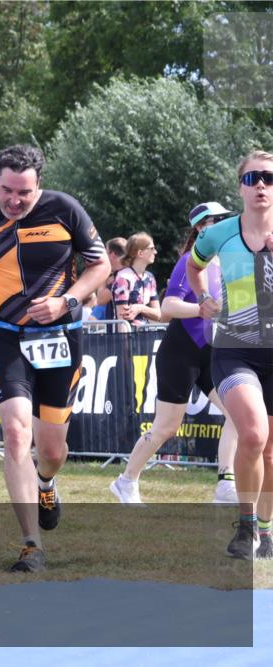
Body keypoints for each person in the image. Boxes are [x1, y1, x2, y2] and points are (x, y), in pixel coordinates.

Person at [0, 144, 109, 572]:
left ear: (39, 186)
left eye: (24, 193)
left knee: (52, 449)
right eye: (6, 191)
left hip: (60, 337)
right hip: (6, 334)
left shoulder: (64, 210)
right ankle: (31, 544)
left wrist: (67, 301)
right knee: (16, 435)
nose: (13, 201)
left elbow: (100, 265)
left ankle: (46, 482)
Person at [110, 202, 239, 505]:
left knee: (238, 412)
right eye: (215, 221)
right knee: (165, 429)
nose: (222, 225)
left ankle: (225, 482)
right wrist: (205, 309)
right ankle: (126, 481)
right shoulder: (189, 262)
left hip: (210, 353)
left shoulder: (226, 263)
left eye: (224, 219)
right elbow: (168, 309)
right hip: (179, 353)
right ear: (201, 228)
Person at [187, 152, 273, 560]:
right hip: (235, 348)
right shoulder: (218, 233)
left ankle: (267, 530)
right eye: (252, 178)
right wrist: (204, 297)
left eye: (269, 179)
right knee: (253, 434)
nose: (261, 185)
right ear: (240, 185)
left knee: (271, 451)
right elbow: (194, 266)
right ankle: (245, 527)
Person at [110, 232, 161, 327]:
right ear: (140, 253)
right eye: (151, 248)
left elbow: (158, 315)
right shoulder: (123, 278)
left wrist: (141, 308)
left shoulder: (150, 278)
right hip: (127, 337)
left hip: (145, 335)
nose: (155, 252)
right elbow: (122, 322)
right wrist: (125, 342)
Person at [94, 237, 128, 320]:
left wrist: (103, 271)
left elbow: (100, 300)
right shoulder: (127, 273)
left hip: (121, 330)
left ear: (112, 254)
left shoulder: (121, 277)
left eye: (106, 253)